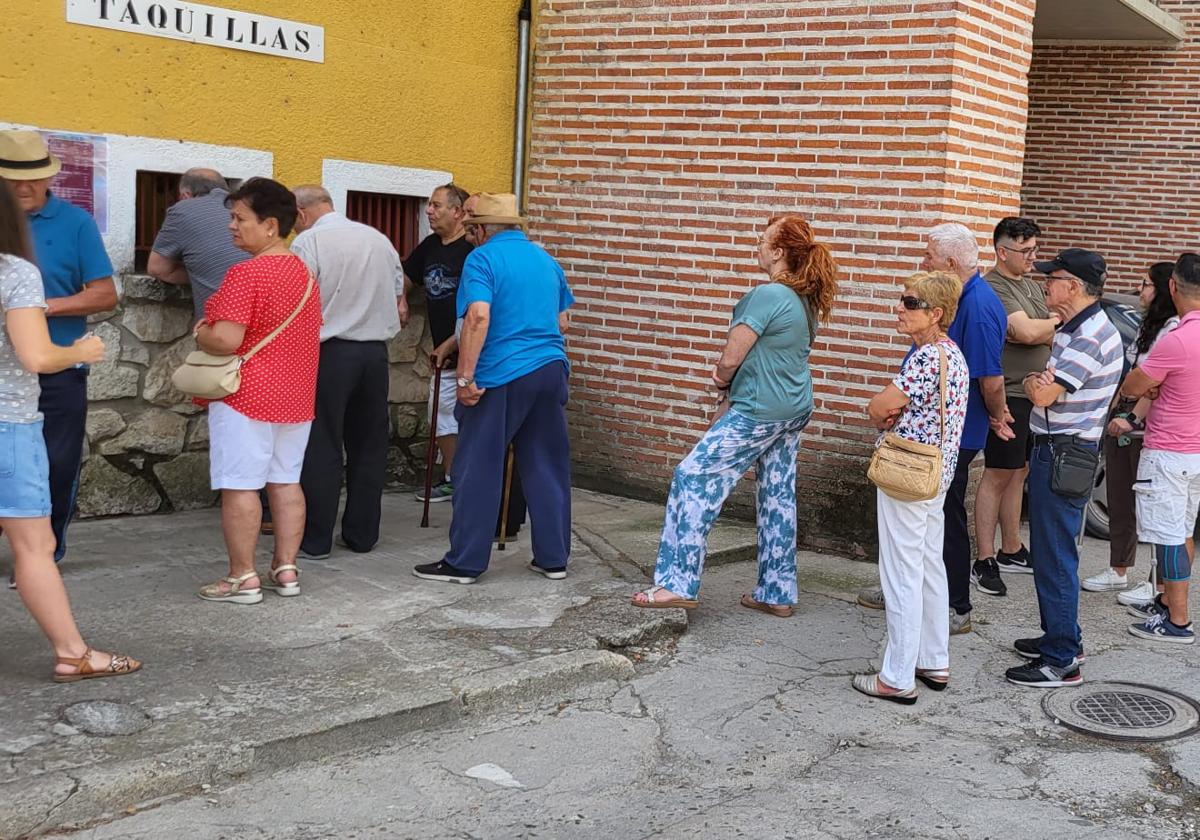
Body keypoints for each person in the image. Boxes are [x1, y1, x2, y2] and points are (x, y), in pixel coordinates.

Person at [630, 214, 838, 614]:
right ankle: (776, 594)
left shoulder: (768, 295)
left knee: (692, 477)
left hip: (759, 411)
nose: (757, 247)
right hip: (794, 410)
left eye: (763, 241)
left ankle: (677, 584)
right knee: (777, 495)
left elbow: (731, 358)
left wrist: (720, 381)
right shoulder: (804, 300)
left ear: (778, 252)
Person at [0, 177, 140, 681]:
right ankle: (72, 652)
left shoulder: (73, 225)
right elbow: (36, 356)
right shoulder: (16, 272)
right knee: (34, 548)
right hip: (8, 424)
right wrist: (80, 351)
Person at [412, 193, 574, 584]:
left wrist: (465, 377)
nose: (469, 235)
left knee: (477, 466)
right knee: (547, 465)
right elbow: (563, 321)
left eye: (471, 228)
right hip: (550, 369)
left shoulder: (482, 259)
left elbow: (478, 316)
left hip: (502, 374)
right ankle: (553, 559)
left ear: (483, 229)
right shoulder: (546, 260)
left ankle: (464, 562)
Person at [858, 223, 1008, 635]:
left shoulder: (975, 308)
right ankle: (925, 606)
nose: (923, 260)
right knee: (931, 527)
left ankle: (955, 606)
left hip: (949, 440)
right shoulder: (963, 308)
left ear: (952, 264)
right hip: (942, 435)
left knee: (941, 524)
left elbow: (990, 378)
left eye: (929, 256)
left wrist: (997, 416)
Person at [194, 178, 322, 604]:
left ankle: (241, 577)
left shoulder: (245, 273)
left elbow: (227, 339)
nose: (231, 226)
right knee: (286, 481)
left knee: (241, 485)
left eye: (239, 218)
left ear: (270, 225)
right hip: (297, 395)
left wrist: (201, 334)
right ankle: (286, 568)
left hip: (246, 395)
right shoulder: (304, 274)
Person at [0, 130, 117, 568]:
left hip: (56, 367)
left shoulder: (76, 222)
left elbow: (105, 294)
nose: (24, 187)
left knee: (56, 465)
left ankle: (41, 557)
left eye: (34, 178)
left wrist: (36, 308)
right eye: (13, 178)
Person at [1007, 248, 1122, 687]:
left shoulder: (1090, 334)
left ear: (1072, 286)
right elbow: (1045, 384)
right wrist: (1043, 383)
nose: (1044, 285)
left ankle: (1060, 660)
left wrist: (1040, 384)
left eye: (1051, 278)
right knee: (1056, 552)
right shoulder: (1077, 328)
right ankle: (1063, 637)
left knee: (1055, 556)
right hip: (1061, 448)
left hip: (1063, 451)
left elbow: (1042, 393)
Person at [854, 271, 969, 704]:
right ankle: (934, 659)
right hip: (937, 475)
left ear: (936, 313)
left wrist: (882, 414)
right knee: (927, 565)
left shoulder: (924, 359)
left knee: (901, 573)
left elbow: (880, 405)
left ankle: (897, 676)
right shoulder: (953, 355)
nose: (900, 308)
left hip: (908, 476)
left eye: (911, 303)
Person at [291, 185, 403, 559]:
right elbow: (400, 298)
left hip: (329, 351)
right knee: (369, 445)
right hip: (375, 353)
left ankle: (316, 538)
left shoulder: (309, 243)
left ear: (301, 212)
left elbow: (296, 302)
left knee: (321, 444)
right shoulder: (379, 239)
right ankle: (361, 534)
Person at [1083, 262, 1180, 599]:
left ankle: (1160, 584)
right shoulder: (1147, 326)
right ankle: (1118, 568)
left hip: (1146, 422)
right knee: (1120, 495)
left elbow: (1156, 386)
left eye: (1146, 285)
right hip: (1124, 413)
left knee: (1154, 506)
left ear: (1166, 290)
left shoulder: (1172, 329)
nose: (1140, 291)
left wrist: (1134, 418)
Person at [1119, 252, 1200, 645]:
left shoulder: (1177, 338)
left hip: (1168, 451)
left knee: (1167, 537)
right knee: (1183, 531)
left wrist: (1153, 385)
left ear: (1173, 286)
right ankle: (1168, 602)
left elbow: (1134, 385)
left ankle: (1178, 621)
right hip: (1195, 453)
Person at [975, 217, 1058, 587]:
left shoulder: (1028, 286)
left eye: (1035, 250)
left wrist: (1044, 328)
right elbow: (1026, 331)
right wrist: (1053, 321)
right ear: (1001, 251)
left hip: (1031, 395)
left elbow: (1043, 333)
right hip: (1007, 394)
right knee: (996, 473)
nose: (1033, 258)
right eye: (1025, 251)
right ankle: (984, 559)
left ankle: (1011, 548)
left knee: (1018, 471)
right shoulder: (994, 287)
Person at [404, 184, 473, 504]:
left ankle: (473, 479)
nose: (429, 211)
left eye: (436, 205)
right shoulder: (431, 245)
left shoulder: (473, 250)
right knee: (441, 415)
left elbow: (480, 311)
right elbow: (406, 275)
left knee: (471, 416)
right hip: (441, 352)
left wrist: (453, 342)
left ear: (458, 212)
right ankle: (453, 477)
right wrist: (399, 297)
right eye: (429, 205)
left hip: (472, 348)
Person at [147, 167, 248, 320]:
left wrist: (199, 271)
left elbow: (158, 269)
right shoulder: (248, 208)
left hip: (223, 323)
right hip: (269, 316)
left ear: (185, 195)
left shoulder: (182, 209)